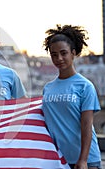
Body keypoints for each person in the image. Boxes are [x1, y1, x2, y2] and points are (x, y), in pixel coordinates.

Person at [42, 24, 102, 169]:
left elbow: (87, 125)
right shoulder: (47, 88)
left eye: (64, 53)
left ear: (73, 53)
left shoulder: (85, 86)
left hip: (85, 160)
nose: (59, 58)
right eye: (54, 55)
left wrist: (83, 160)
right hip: (58, 159)